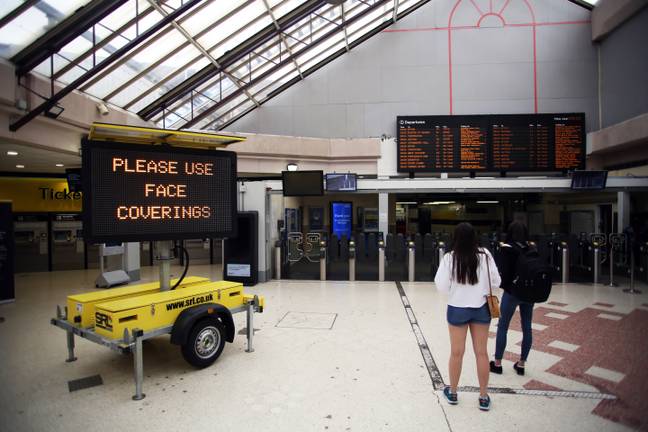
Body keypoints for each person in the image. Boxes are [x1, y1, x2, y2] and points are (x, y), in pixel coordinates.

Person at [435, 222, 501, 411]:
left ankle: (453, 392)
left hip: (457, 308)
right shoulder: (485, 255)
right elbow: (497, 281)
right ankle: (483, 396)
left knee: (457, 352)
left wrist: (456, 291)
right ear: (474, 237)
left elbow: (441, 285)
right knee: (481, 352)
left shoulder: (450, 258)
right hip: (481, 309)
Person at [490, 221, 533, 376]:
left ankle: (498, 363)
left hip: (512, 292)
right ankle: (521, 364)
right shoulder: (531, 247)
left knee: (503, 326)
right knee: (527, 327)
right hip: (529, 293)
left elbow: (503, 273)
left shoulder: (506, 249)